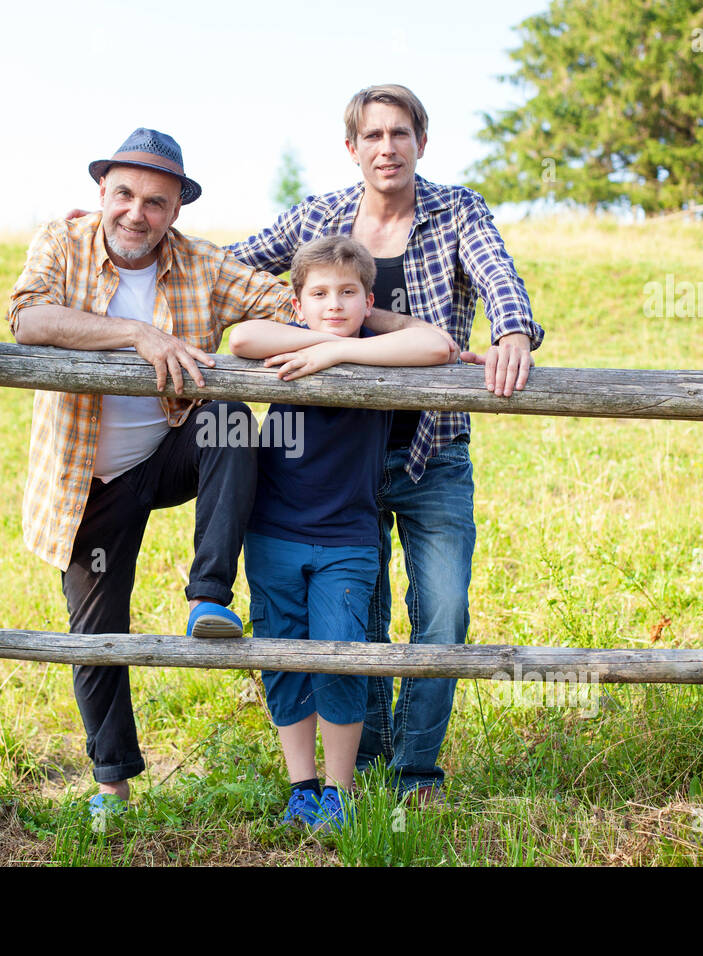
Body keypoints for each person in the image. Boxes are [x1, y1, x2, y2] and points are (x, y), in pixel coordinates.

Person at [226, 84, 546, 801]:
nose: (387, 147)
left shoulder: (456, 209)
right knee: (355, 615)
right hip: (335, 467)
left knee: (441, 612)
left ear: (420, 143)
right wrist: (140, 250)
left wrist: (514, 330)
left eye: (400, 134)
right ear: (353, 148)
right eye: (372, 136)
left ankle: (416, 770)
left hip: (432, 451)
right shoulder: (321, 216)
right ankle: (357, 763)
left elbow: (498, 276)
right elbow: (228, 266)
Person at [6, 128, 302, 816]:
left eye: (156, 202)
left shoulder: (202, 263)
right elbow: (28, 318)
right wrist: (139, 335)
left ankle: (209, 598)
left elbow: (296, 304)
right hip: (88, 482)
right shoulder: (61, 242)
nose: (137, 213)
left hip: (169, 451)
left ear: (176, 210)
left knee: (230, 413)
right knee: (96, 633)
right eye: (125, 195)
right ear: (102, 193)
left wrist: (385, 332)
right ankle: (112, 786)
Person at [228, 236, 454, 829]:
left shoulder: (380, 350)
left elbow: (437, 343)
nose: (334, 303)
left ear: (368, 299)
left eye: (348, 293)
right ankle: (300, 786)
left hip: (348, 538)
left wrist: (337, 352)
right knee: (283, 655)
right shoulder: (285, 338)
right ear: (297, 302)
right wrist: (326, 340)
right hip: (273, 529)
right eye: (320, 294)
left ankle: (338, 792)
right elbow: (241, 338)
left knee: (341, 656)